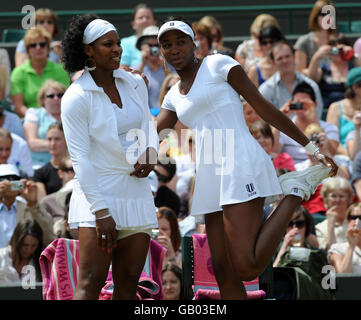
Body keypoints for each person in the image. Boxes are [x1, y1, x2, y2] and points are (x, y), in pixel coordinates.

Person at [156, 16, 337, 300]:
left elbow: (264, 108)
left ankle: (294, 192)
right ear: (162, 53)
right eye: (167, 45)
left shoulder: (218, 64)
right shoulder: (172, 96)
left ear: (195, 45)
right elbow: (152, 136)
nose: (174, 48)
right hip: (210, 174)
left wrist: (311, 148)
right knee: (222, 270)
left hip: (241, 163)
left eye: (181, 42)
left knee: (245, 267)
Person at [61, 14, 159, 300]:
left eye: (117, 43)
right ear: (88, 50)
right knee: (91, 283)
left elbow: (147, 125)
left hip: (136, 193)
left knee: (129, 283)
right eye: (107, 44)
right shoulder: (75, 97)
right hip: (97, 198)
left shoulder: (135, 83)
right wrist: (101, 212)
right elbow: (79, 159)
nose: (116, 49)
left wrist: (151, 150)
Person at [272, 205, 333, 299]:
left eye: (299, 224)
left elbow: (331, 286)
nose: (295, 228)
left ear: (307, 226)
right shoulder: (276, 249)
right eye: (289, 224)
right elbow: (271, 276)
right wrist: (285, 246)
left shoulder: (319, 254)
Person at [272, 81, 339, 164]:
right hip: (293, 171)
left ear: (315, 104)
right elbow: (274, 151)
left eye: (305, 103)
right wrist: (279, 120)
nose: (301, 107)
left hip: (319, 168)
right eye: (298, 103)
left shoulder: (329, 128)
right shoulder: (284, 129)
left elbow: (332, 153)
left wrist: (313, 121)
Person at [10, 28, 70, 118]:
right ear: (27, 49)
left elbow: (65, 101)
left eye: (42, 44)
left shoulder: (60, 70)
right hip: (30, 120)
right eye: (33, 45)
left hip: (58, 119)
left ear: (48, 48)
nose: (38, 48)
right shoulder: (18, 73)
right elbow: (19, 107)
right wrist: (37, 119)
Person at [259, 40, 324, 119]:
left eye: (287, 56)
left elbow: (317, 115)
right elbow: (265, 120)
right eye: (279, 58)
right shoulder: (265, 89)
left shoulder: (311, 85)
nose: (284, 61)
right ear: (273, 62)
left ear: (294, 57)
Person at [0, 163, 55, 248]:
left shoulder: (29, 207)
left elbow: (48, 237)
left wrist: (33, 204)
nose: (8, 184)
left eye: (12, 179)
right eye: (2, 180)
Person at [305, 33, 355, 112]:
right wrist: (317, 56)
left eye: (340, 50)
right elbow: (311, 79)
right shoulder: (324, 68)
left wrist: (352, 54)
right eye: (333, 49)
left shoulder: (353, 68)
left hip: (350, 110)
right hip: (326, 110)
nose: (337, 52)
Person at [24, 80, 66, 168]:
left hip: (67, 164)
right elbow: (33, 144)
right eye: (51, 96)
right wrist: (63, 145)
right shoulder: (33, 113)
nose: (56, 99)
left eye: (60, 95)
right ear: (42, 99)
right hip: (39, 166)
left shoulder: (71, 115)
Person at [294, 0, 337, 73]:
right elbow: (299, 72)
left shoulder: (338, 39)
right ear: (315, 16)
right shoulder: (304, 42)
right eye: (323, 14)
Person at [135, 26, 171, 111]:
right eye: (150, 45)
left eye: (157, 45)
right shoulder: (135, 68)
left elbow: (173, 84)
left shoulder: (171, 67)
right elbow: (133, 86)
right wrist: (142, 64)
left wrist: (164, 67)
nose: (154, 49)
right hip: (146, 116)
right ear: (142, 47)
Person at [326, 67, 361, 150]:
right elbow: (332, 142)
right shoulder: (335, 108)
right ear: (355, 88)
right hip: (342, 158)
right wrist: (351, 155)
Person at [316, 176, 354, 251]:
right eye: (333, 196)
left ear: (349, 199)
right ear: (326, 199)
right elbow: (329, 253)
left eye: (341, 196)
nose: (337, 200)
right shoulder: (320, 228)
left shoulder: (356, 221)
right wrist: (331, 226)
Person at [0, 219, 43, 284]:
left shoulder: (41, 263)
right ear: (17, 242)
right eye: (25, 245)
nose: (29, 250)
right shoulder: (2, 257)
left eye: (33, 246)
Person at [32, 122, 68, 201]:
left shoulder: (76, 168)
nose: (52, 143)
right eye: (49, 139)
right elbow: (43, 204)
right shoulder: (40, 173)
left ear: (67, 140)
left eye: (57, 139)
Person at [39, 156, 75, 226]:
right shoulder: (47, 202)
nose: (76, 174)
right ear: (60, 173)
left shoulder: (88, 199)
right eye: (72, 170)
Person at [120, 3, 157, 67]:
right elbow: (123, 70)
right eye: (140, 18)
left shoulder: (162, 41)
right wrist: (142, 63)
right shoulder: (125, 43)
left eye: (148, 17)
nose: (144, 20)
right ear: (133, 24)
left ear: (155, 22)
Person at [328, 202, 361, 273]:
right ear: (348, 220)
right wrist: (351, 246)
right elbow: (344, 278)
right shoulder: (337, 249)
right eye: (353, 218)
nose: (357, 221)